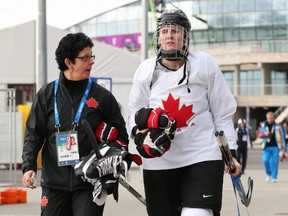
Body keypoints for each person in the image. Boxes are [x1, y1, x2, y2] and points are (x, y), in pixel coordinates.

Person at [128, 9, 242, 216]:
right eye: (164, 32)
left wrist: (230, 153)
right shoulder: (145, 70)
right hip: (160, 162)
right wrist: (141, 139)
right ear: (158, 38)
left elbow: (222, 112)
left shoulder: (205, 64)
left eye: (175, 31)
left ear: (186, 37)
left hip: (202, 155)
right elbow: (134, 115)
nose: (169, 36)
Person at [21, 32, 131, 216]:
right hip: (53, 184)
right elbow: (33, 134)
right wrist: (29, 167)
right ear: (69, 62)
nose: (91, 62)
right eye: (85, 58)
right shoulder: (46, 95)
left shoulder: (103, 97)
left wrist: (110, 155)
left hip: (89, 184)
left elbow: (122, 138)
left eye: (91, 56)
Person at [258, 111, 286, 183]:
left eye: (271, 118)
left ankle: (274, 177)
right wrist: (265, 134)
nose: (270, 119)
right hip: (266, 147)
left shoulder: (278, 126)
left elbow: (282, 137)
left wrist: (283, 147)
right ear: (267, 118)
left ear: (273, 118)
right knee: (265, 160)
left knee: (275, 162)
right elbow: (259, 135)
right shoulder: (264, 125)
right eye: (268, 118)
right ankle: (268, 173)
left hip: (276, 147)